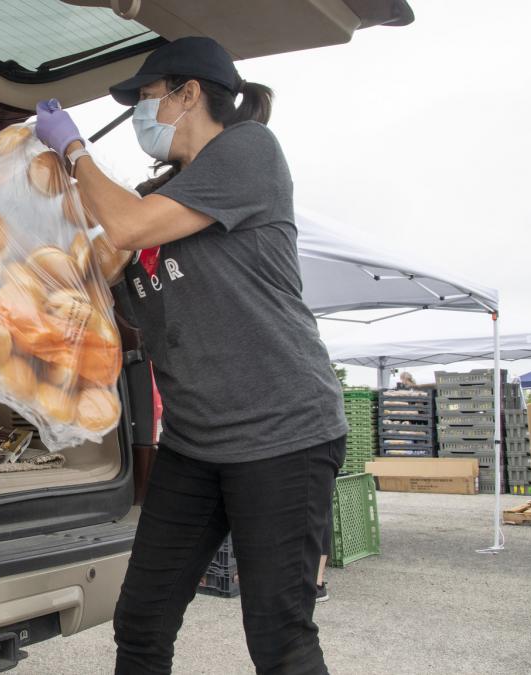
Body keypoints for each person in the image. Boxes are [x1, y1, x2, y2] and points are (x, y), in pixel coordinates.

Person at [34, 36, 347, 675]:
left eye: (146, 100)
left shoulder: (248, 152)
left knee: (279, 639)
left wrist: (72, 150)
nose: (143, 117)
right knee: (141, 622)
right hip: (196, 442)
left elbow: (126, 229)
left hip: (283, 433)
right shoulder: (160, 195)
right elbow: (98, 268)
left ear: (187, 94)